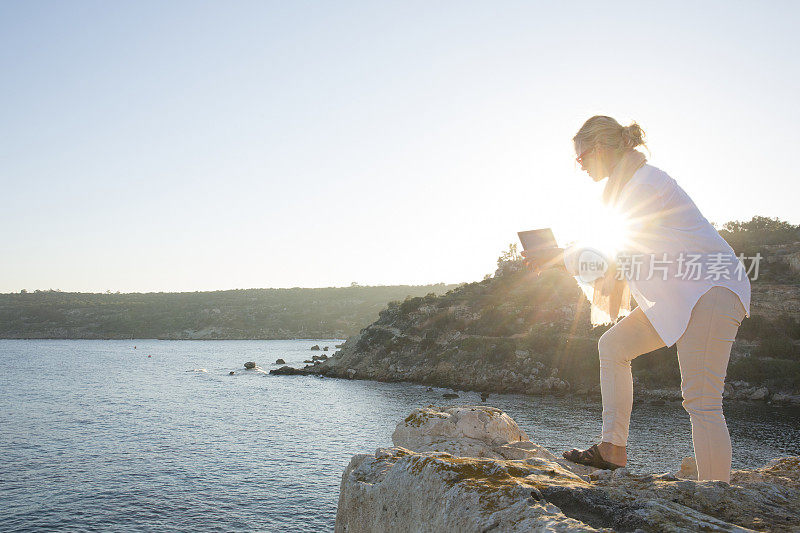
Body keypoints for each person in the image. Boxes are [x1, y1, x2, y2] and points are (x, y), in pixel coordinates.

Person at [522, 116, 751, 482]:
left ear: (600, 149)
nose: (578, 166)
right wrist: (559, 255)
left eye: (581, 157)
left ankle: (716, 495)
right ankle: (613, 447)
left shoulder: (646, 183)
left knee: (702, 400)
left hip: (712, 289)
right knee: (613, 346)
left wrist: (555, 254)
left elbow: (615, 252)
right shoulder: (625, 187)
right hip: (680, 295)